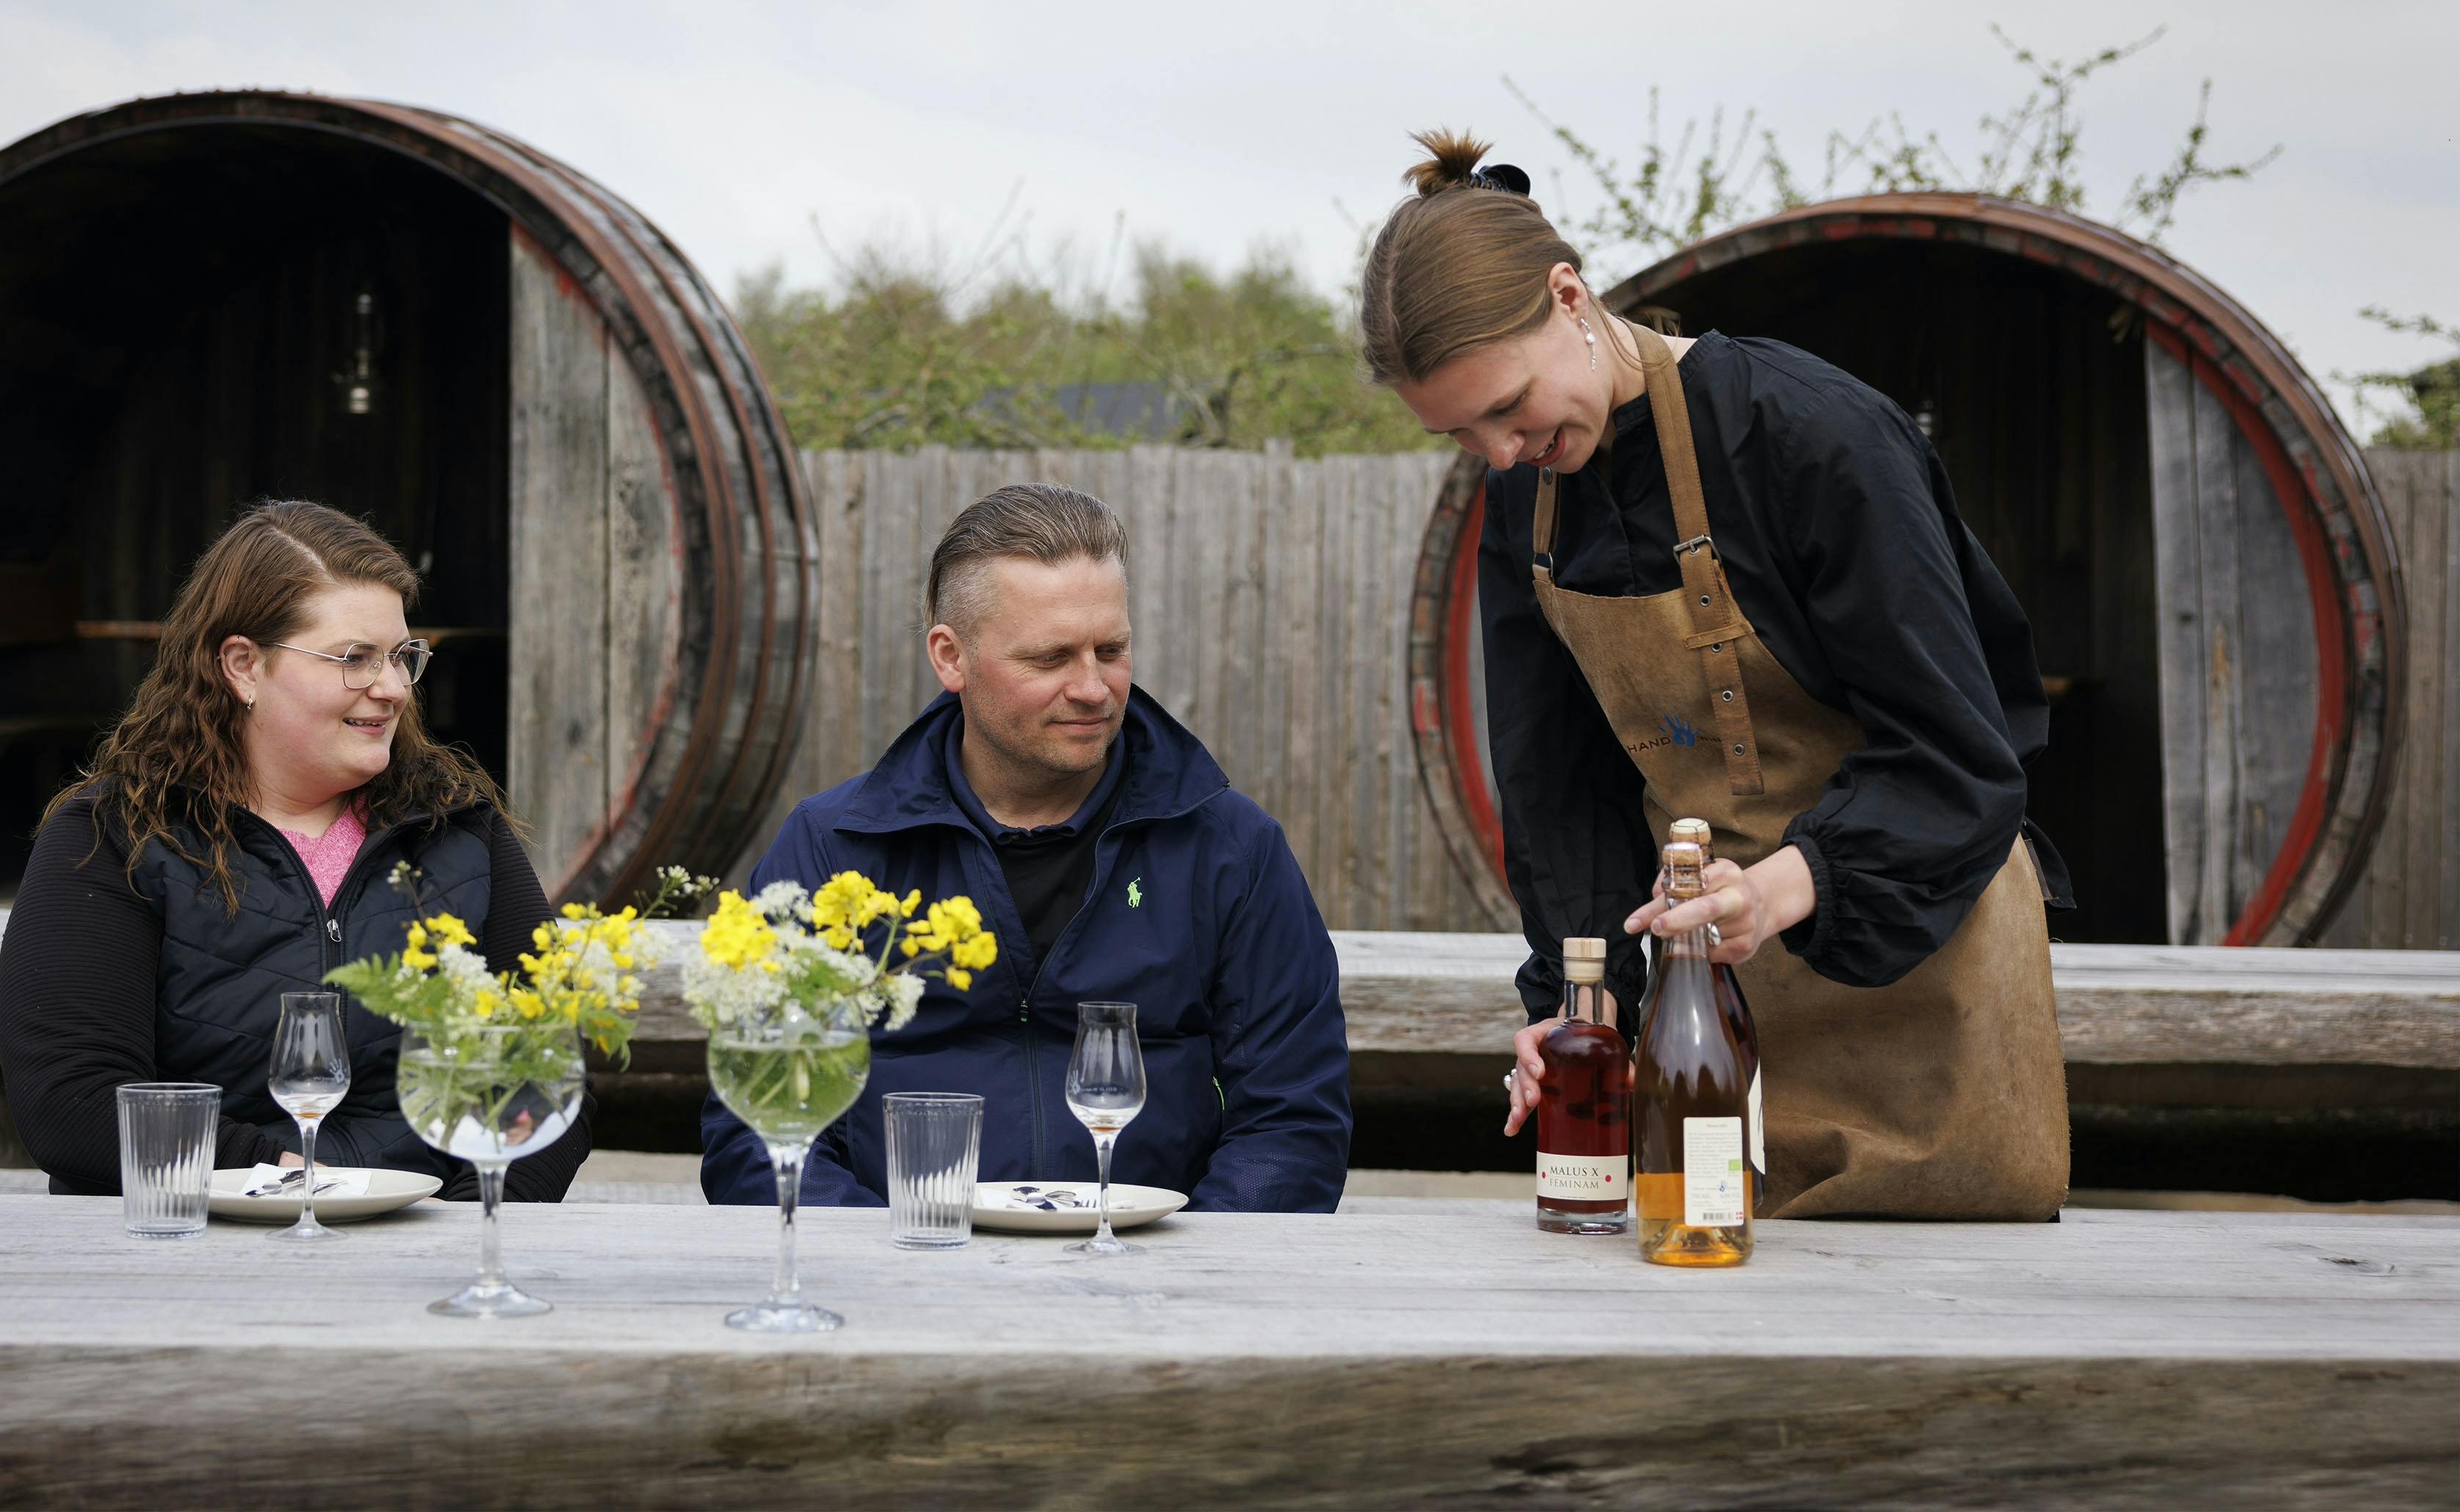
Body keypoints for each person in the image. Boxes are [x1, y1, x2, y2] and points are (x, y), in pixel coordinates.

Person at [1361, 133, 2071, 1221]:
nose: (1500, 452)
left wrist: (1785, 888)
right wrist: (1578, 1004)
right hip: (1707, 1001)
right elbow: (1561, 795)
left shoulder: (1813, 438)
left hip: (1927, 978)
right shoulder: (1527, 505)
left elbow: (1963, 754)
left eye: (1507, 406)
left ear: (1569, 295)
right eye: (1461, 434)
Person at [700, 484, 1352, 1211]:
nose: (1093, 688)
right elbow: (756, 1127)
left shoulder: (1229, 848)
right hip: (897, 1284)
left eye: (1111, 650)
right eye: (1049, 659)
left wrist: (1183, 1283)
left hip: (1153, 1289)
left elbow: (1294, 1123)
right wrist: (887, 1272)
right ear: (951, 659)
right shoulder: (833, 851)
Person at [0, 500, 588, 1201]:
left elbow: (546, 1077)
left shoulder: (459, 829)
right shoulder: (116, 835)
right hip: (186, 1254)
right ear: (244, 666)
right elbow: (75, 1103)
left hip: (428, 1248)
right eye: (354, 658)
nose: (394, 688)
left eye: (403, 656)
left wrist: (459, 1232)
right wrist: (295, 1181)